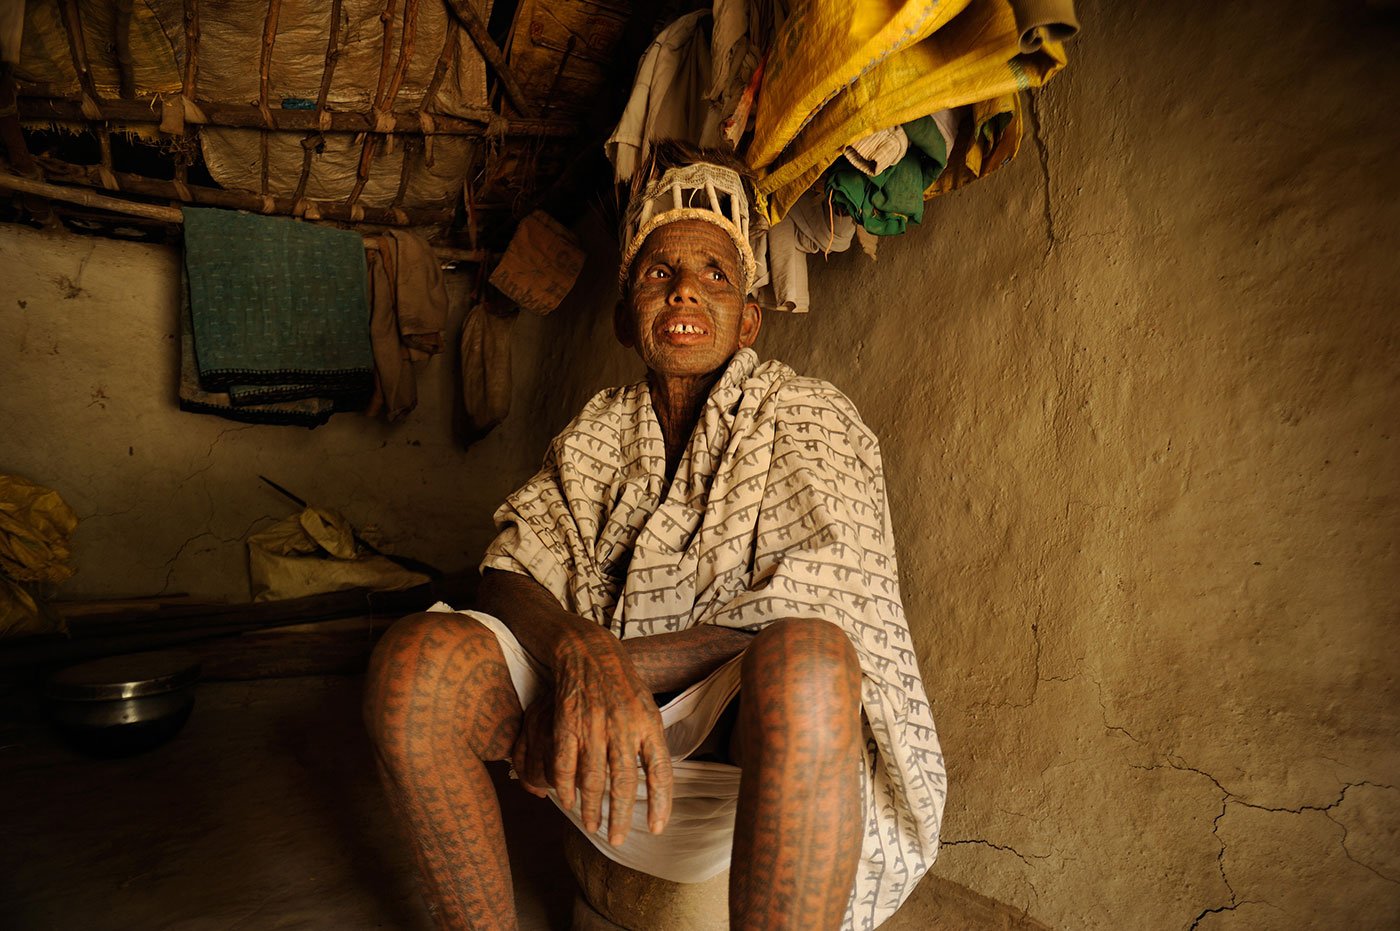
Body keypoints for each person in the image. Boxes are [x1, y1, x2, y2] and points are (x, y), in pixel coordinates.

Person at [364, 145, 946, 930]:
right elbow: (507, 571)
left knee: (809, 663)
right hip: (597, 743)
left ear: (749, 320)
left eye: (714, 274)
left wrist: (609, 667)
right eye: (657, 272)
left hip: (738, 755)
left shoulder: (811, 415)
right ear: (624, 316)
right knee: (413, 667)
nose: (684, 291)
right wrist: (578, 649)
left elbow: (828, 611)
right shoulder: (597, 430)